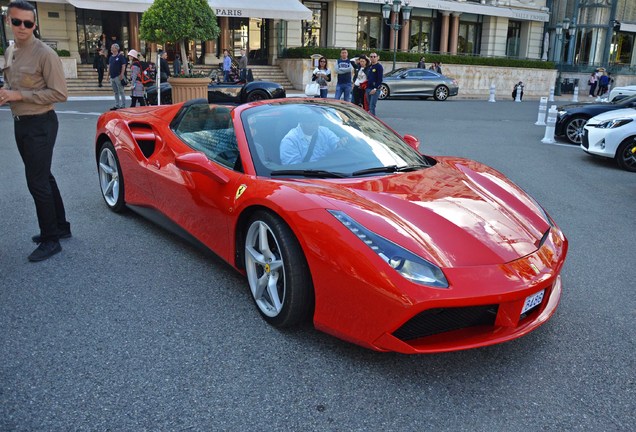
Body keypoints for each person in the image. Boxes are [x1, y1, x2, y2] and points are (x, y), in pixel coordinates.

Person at [0, 0, 70, 262]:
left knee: (37, 182)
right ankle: (61, 227)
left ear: (34, 25)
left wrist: (18, 94)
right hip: (22, 123)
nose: (22, 27)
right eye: (16, 21)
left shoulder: (45, 54)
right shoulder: (11, 50)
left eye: (27, 23)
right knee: (45, 177)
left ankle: (51, 239)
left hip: (40, 123)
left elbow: (60, 93)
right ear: (8, 21)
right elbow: (11, 80)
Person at [279, 108, 346, 164]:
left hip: (331, 172)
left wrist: (341, 143)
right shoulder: (290, 141)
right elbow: (293, 169)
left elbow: (336, 145)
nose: (315, 123)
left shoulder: (325, 131)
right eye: (310, 120)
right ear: (301, 121)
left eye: (317, 119)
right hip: (307, 176)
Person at [108, 43, 127, 110]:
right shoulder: (111, 57)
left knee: (121, 91)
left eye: (112, 47)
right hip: (112, 76)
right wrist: (107, 75)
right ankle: (117, 105)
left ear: (116, 49)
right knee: (115, 91)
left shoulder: (120, 56)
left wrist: (122, 74)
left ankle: (123, 105)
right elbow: (110, 66)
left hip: (118, 76)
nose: (111, 49)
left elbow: (123, 65)